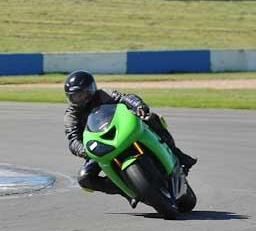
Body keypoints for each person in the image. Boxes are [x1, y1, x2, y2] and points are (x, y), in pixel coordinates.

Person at [63, 70, 197, 205]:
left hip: (122, 130)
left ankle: (177, 154)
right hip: (101, 146)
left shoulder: (103, 94)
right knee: (84, 179)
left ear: (90, 89)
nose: (78, 99)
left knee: (152, 118)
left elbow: (125, 98)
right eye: (74, 97)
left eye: (81, 94)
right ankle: (125, 190)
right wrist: (84, 150)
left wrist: (138, 105)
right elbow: (73, 140)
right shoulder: (70, 116)